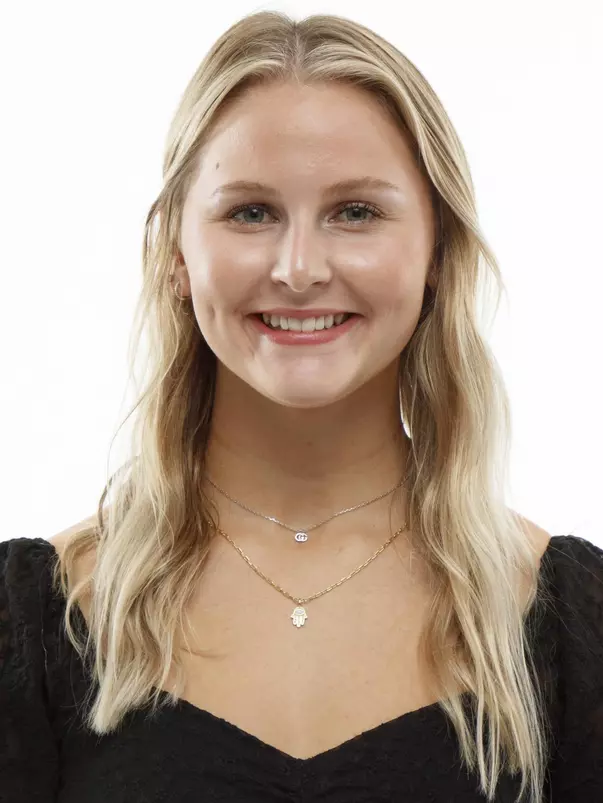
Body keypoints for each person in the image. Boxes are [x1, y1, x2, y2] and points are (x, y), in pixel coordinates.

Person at [1, 9, 602, 803]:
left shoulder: (567, 622)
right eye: (250, 211)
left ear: (436, 253)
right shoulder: (38, 618)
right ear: (176, 256)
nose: (298, 268)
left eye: (355, 212)